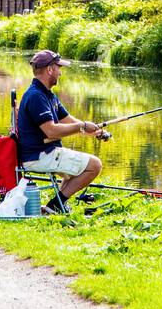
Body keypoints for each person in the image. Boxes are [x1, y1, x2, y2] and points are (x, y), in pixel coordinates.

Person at [17, 49, 107, 206]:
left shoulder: (47, 94)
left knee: (77, 166)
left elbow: (69, 120)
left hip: (46, 152)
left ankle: (58, 204)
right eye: (58, 68)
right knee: (94, 165)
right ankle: (56, 205)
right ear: (49, 69)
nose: (60, 73)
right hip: (39, 156)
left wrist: (95, 131)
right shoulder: (36, 96)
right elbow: (51, 130)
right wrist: (82, 126)